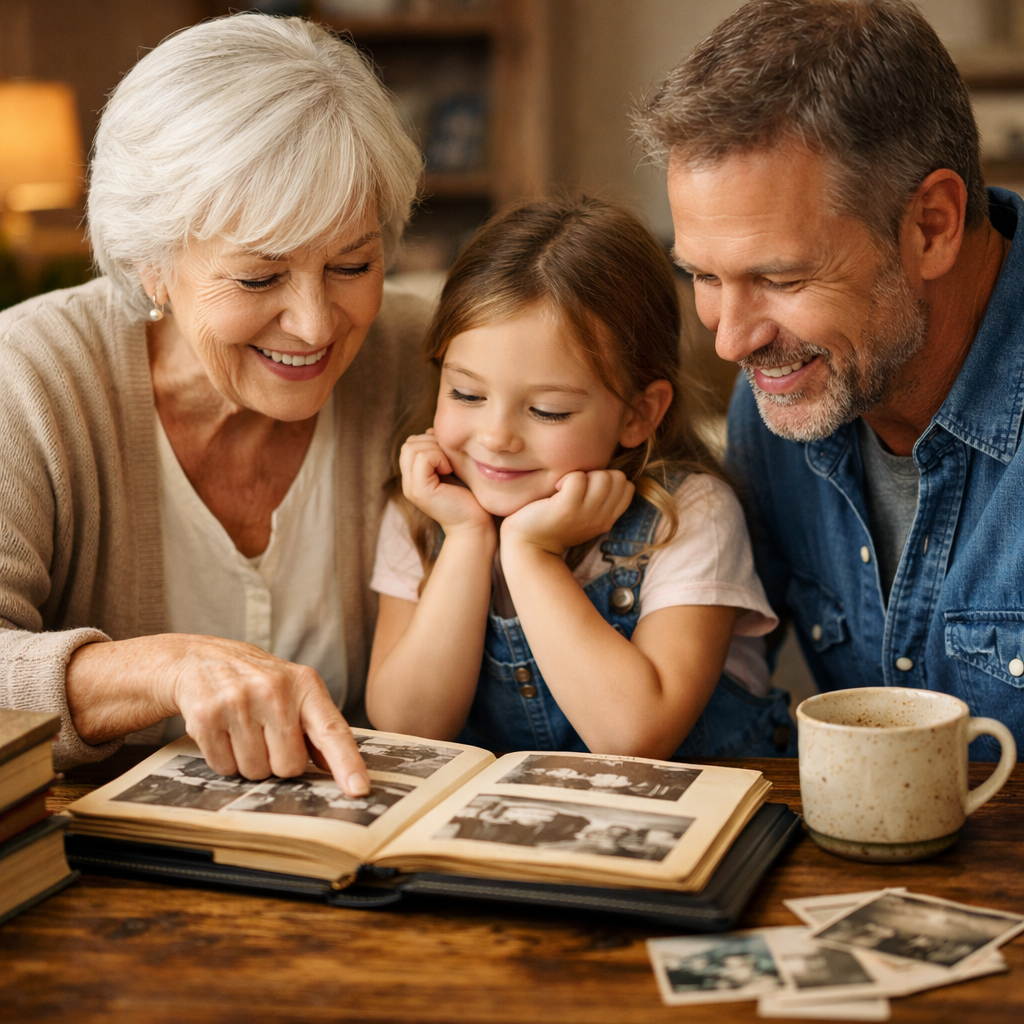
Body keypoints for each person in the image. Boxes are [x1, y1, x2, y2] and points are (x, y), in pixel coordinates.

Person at [0, 14, 434, 792]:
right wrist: (163, 668)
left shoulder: (428, 361)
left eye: (352, 264)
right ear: (150, 264)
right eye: (260, 278)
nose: (315, 324)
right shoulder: (31, 375)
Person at [633, 0, 1024, 757]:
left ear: (932, 225)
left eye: (780, 278)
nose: (731, 341)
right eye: (704, 276)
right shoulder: (783, 390)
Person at [365, 195, 794, 759]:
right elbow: (408, 729)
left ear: (639, 414)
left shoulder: (690, 516)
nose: (495, 437)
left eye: (548, 411)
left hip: (702, 826)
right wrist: (469, 539)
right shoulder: (428, 509)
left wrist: (531, 555)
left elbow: (635, 736)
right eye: (466, 394)